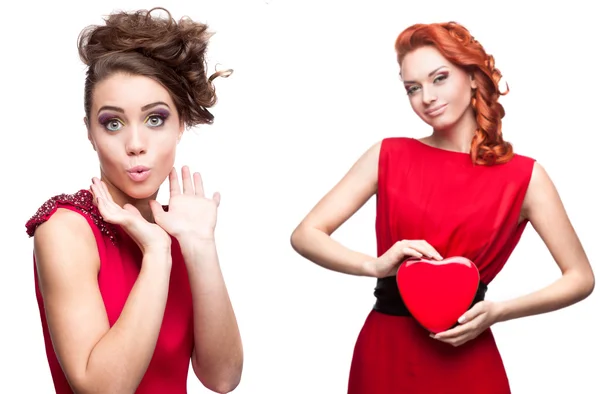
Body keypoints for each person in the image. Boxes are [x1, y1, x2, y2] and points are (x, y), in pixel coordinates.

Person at [290, 21, 594, 394]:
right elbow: (305, 234)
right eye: (412, 88)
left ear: (470, 76)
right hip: (386, 353)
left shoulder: (525, 177)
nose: (426, 97)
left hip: (468, 356)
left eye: (439, 78)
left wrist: (499, 312)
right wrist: (374, 264)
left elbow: (580, 277)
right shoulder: (388, 155)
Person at [25, 8, 242, 394]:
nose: (136, 145)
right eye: (112, 123)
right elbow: (102, 389)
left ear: (181, 124)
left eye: (155, 119)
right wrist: (157, 254)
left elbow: (222, 378)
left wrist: (200, 247)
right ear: (90, 132)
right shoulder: (65, 229)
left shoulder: (181, 225)